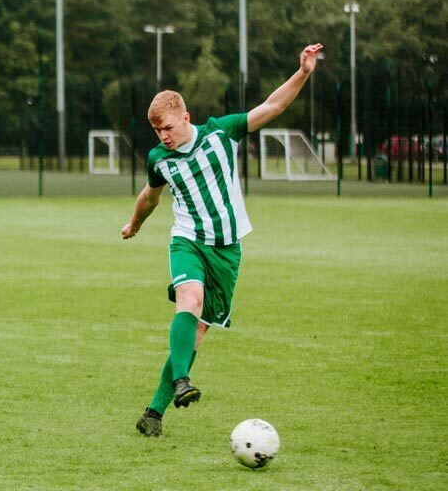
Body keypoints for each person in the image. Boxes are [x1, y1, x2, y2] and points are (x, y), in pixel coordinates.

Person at [123, 44, 325, 437]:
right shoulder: (158, 159)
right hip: (187, 241)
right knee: (189, 299)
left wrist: (302, 73)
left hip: (228, 251)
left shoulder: (221, 132)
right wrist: (135, 224)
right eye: (156, 130)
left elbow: (271, 108)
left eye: (168, 127)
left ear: (185, 116)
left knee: (196, 332)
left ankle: (153, 414)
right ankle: (182, 380)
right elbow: (150, 197)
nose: (163, 136)